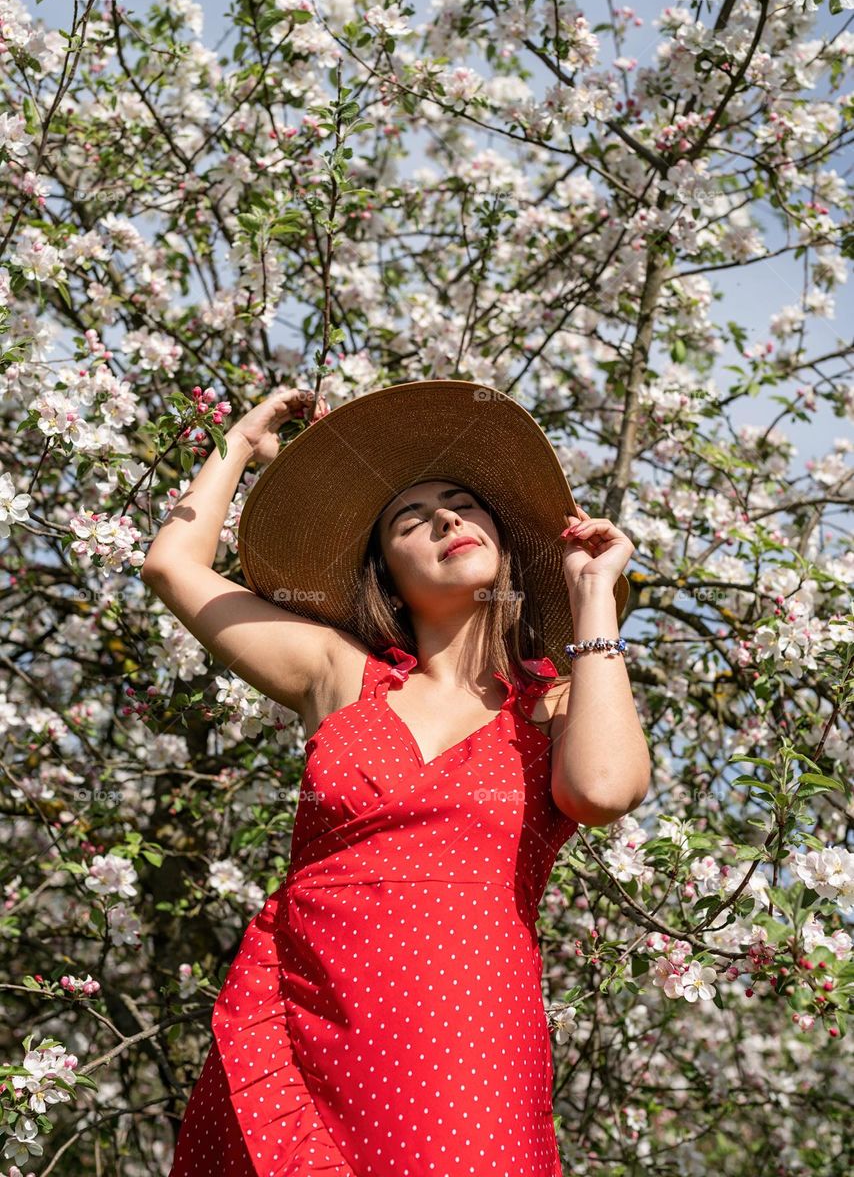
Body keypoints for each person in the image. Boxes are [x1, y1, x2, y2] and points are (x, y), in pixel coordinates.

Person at [141, 379, 649, 1176]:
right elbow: (173, 564)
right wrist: (240, 443)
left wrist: (592, 597)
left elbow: (604, 791)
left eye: (463, 504)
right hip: (304, 1014)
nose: (446, 518)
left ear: (506, 546)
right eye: (412, 517)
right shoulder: (337, 673)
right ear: (384, 566)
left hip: (468, 1035)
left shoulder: (557, 702)